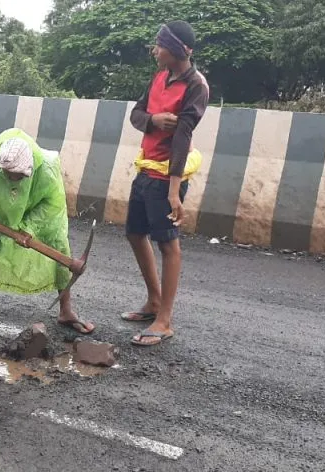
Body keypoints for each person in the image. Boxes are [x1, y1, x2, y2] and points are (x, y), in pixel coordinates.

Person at [120, 20, 210, 346]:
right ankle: (154, 301)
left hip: (167, 176)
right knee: (134, 232)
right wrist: (154, 121)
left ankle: (165, 320)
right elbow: (136, 115)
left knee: (168, 245)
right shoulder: (159, 77)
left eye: (158, 45)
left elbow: (183, 138)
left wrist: (174, 191)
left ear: (173, 50)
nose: (154, 50)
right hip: (146, 169)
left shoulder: (197, 86)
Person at [0, 127, 95, 337]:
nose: (13, 180)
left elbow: (52, 203)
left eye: (19, 176)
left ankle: (66, 311)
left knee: (58, 246)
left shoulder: (46, 169)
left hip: (38, 211)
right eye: (8, 175)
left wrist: (28, 228)